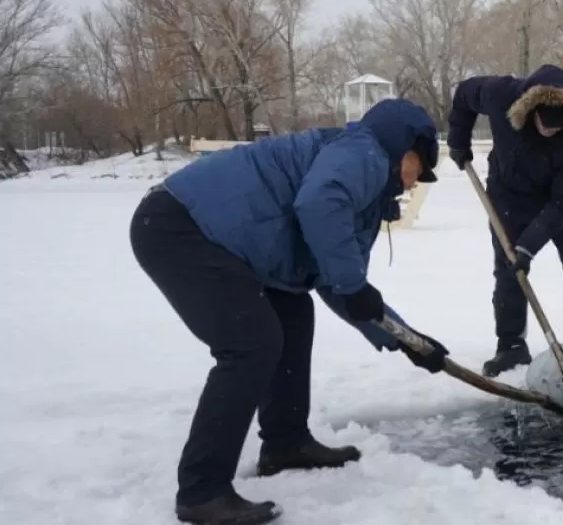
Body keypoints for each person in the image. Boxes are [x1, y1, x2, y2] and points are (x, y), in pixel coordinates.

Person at [129, 98, 451, 525]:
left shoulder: (363, 184)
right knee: (251, 345)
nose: (415, 184)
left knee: (293, 315)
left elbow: (339, 284)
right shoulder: (367, 152)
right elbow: (319, 206)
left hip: (224, 242)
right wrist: (355, 289)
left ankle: (286, 443)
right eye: (419, 170)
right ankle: (201, 490)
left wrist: (405, 339)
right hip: (183, 227)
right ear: (408, 148)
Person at [446, 64, 563, 376]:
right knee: (508, 270)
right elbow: (464, 95)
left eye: (557, 129)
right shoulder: (500, 94)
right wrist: (458, 139)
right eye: (545, 126)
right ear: (531, 110)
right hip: (508, 195)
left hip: (561, 203)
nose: (551, 132)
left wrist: (528, 247)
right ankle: (510, 346)